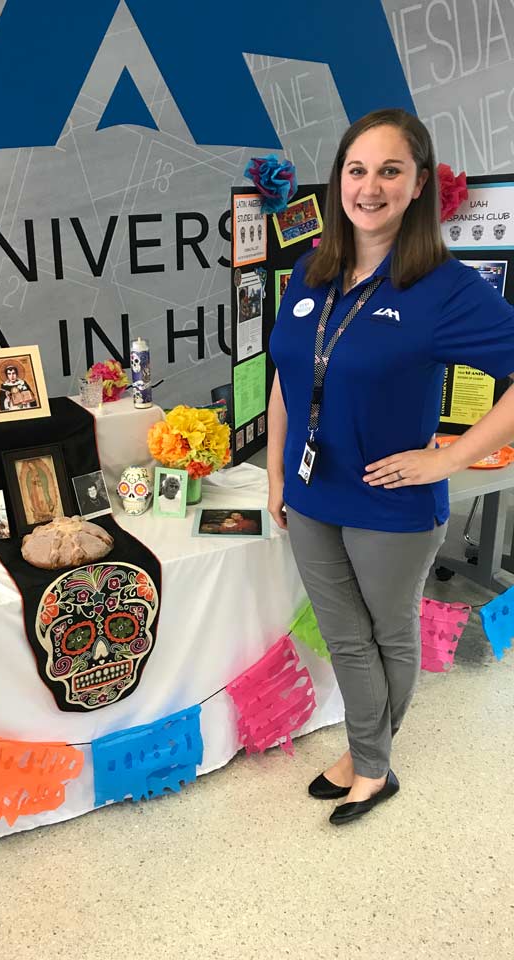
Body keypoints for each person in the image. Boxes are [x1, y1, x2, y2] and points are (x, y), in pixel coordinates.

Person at [267, 108, 514, 826]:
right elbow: (287, 376)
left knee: (387, 634)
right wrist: (282, 476)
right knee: (344, 635)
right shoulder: (311, 268)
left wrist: (448, 457)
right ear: (338, 179)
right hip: (313, 491)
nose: (369, 187)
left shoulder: (443, 288)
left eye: (389, 171)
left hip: (391, 502)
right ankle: (366, 752)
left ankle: (371, 767)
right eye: (356, 169)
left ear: (417, 187)